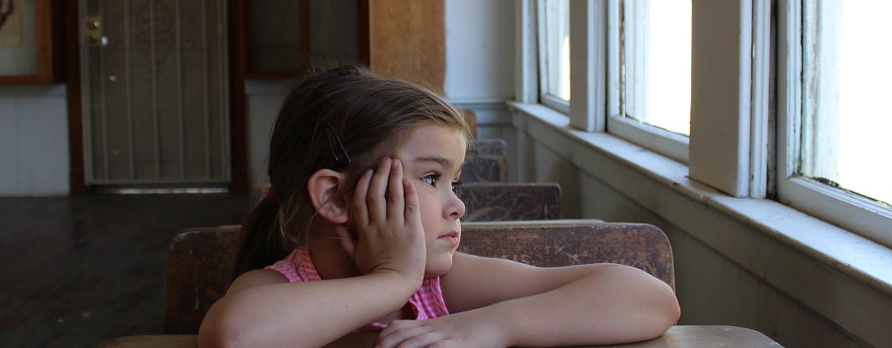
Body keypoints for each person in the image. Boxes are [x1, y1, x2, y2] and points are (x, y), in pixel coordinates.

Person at [198, 65, 681, 348]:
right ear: (334, 196)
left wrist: (493, 325)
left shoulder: (441, 287)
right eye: (432, 178)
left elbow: (650, 297)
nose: (458, 206)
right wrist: (391, 281)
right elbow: (235, 337)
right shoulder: (277, 286)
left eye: (455, 181)